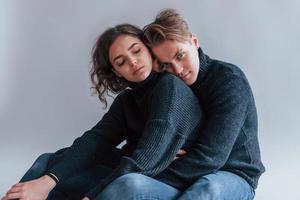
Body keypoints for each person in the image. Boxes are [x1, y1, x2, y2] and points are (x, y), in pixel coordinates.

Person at [2, 24, 203, 200]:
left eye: (136, 51)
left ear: (149, 49)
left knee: (124, 185)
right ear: (117, 71)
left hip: (167, 179)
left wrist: (92, 195)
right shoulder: (128, 100)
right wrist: (47, 181)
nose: (132, 62)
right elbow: (96, 140)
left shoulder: (170, 87)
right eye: (121, 62)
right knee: (47, 162)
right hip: (135, 170)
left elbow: (147, 156)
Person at [100, 9, 265, 200]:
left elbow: (211, 157)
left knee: (207, 189)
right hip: (184, 178)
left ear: (194, 42)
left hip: (232, 175)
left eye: (180, 56)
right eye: (165, 65)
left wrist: (157, 168)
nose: (177, 70)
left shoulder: (228, 80)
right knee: (129, 184)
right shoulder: (167, 87)